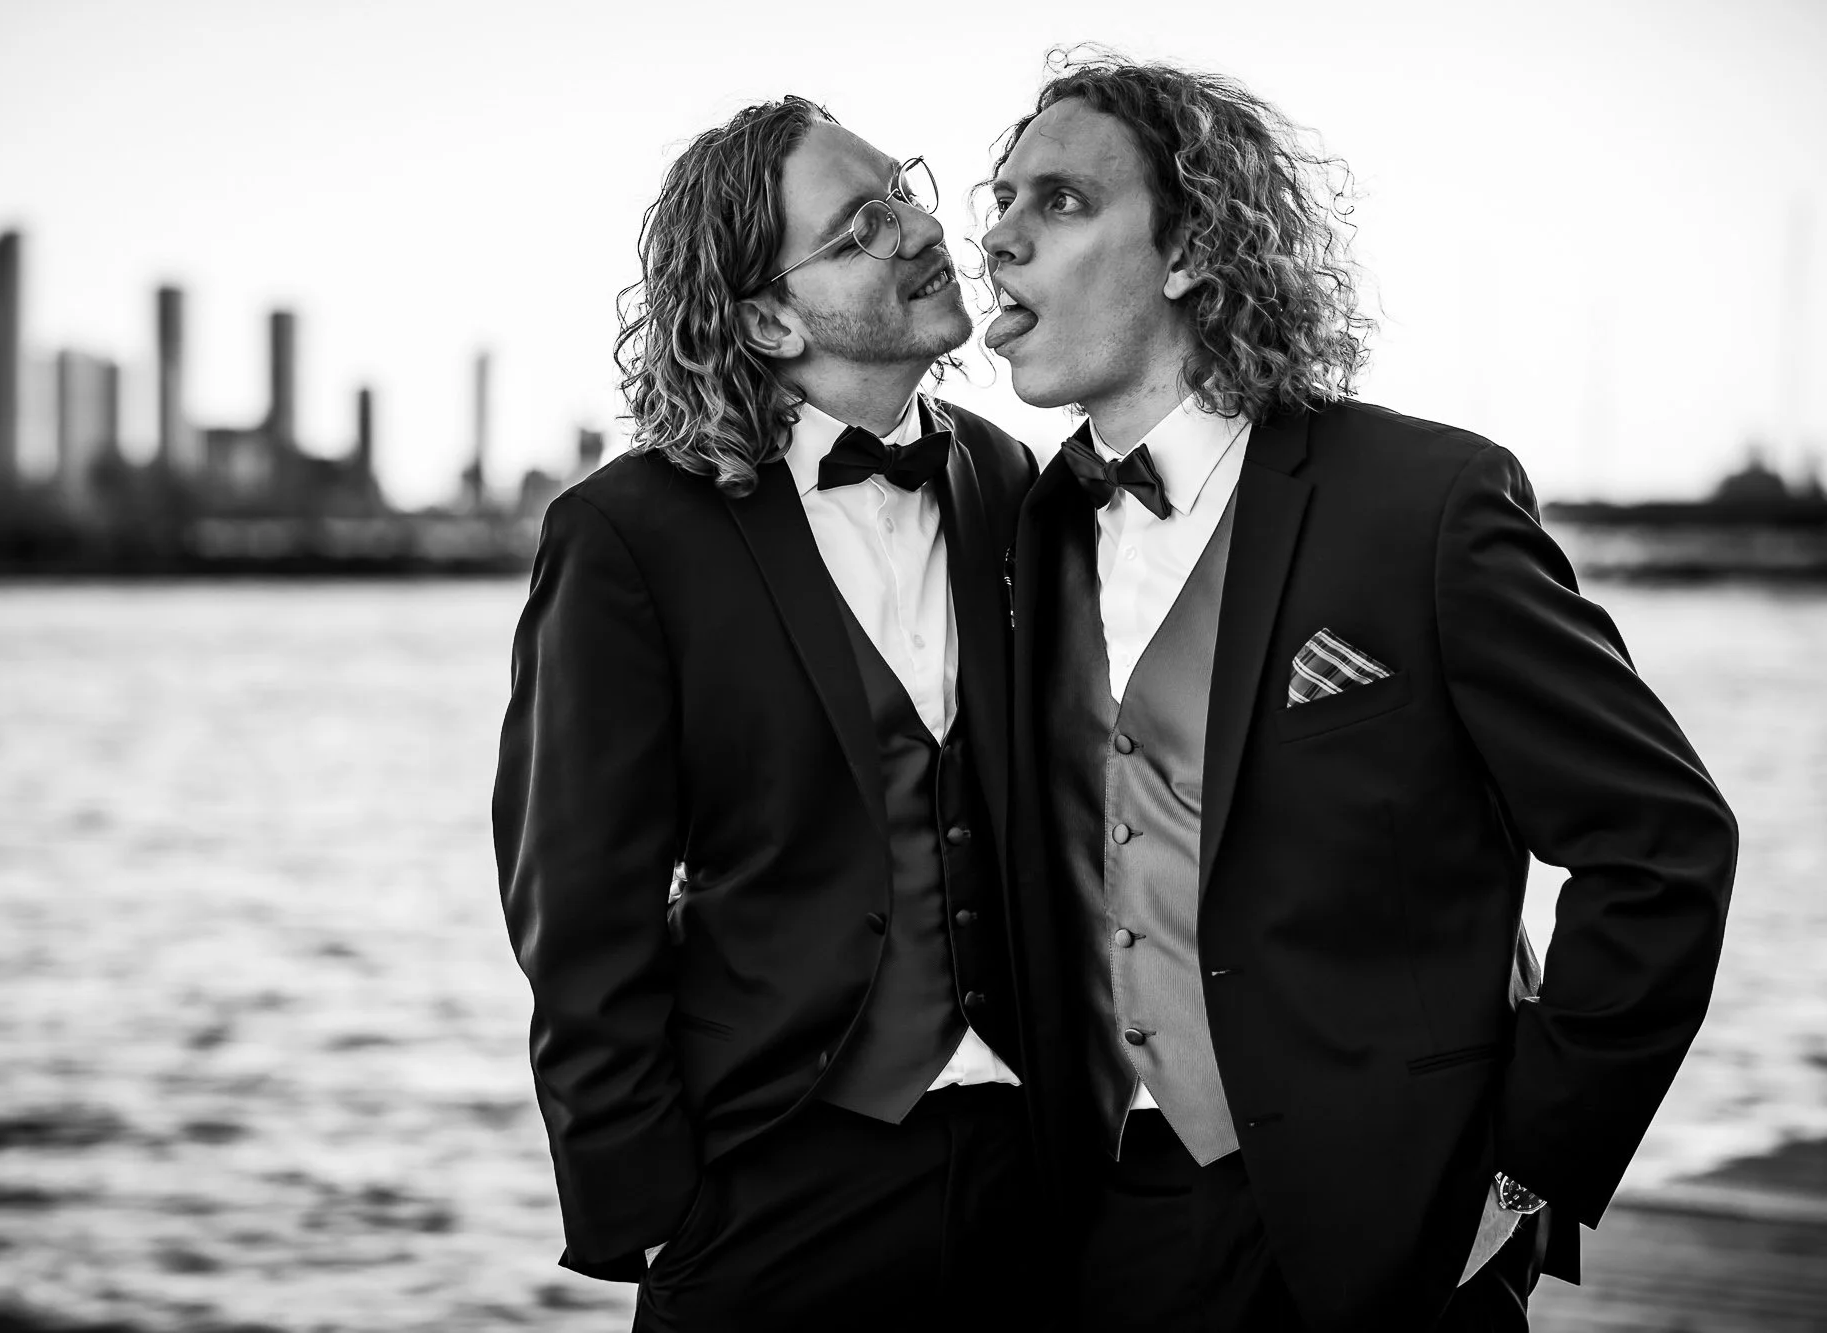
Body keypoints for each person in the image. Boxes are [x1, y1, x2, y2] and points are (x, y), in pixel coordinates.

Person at [984, 53, 1739, 1331]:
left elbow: (1658, 847)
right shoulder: (1028, 527)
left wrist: (1527, 1168)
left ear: (1191, 249)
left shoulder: (1420, 504)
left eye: (1058, 201)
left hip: (1396, 1226)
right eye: (999, 202)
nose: (999, 237)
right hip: (1115, 1220)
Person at [493, 96, 1053, 1331]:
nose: (918, 228)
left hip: (1030, 1175)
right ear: (766, 319)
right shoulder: (628, 534)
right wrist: (654, 1208)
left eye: (902, 190)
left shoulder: (1005, 478)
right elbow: (577, 906)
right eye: (859, 227)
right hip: (774, 1179)